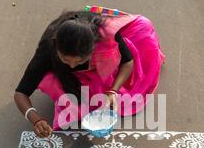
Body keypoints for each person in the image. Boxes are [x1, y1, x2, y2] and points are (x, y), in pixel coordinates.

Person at [14, 10, 165, 138]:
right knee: (77, 99)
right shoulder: (48, 49)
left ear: (93, 51)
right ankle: (73, 78)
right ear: (56, 48)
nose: (72, 65)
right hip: (65, 75)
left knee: (144, 28)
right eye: (65, 59)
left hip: (101, 58)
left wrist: (113, 90)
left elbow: (127, 62)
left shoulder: (105, 35)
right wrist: (36, 119)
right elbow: (21, 93)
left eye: (79, 61)